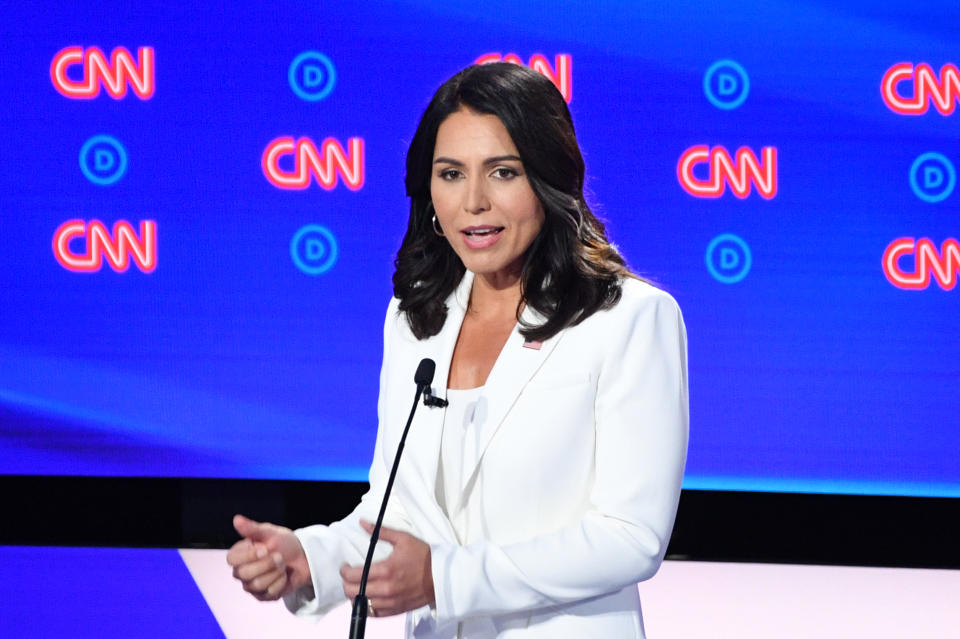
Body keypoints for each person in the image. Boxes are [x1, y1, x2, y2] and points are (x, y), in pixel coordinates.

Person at [227, 62, 688, 639]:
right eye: (450, 174)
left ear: (549, 179)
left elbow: (630, 536)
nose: (473, 202)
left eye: (502, 172)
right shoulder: (416, 319)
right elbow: (401, 510)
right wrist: (309, 558)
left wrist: (445, 577)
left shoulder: (627, 319)